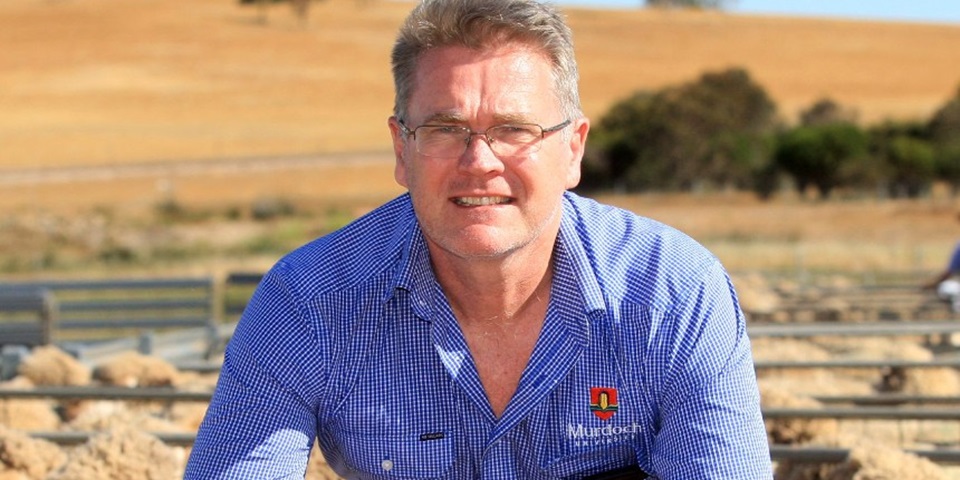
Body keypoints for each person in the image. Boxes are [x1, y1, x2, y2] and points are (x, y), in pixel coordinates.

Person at [184, 0, 772, 477]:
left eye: (515, 129)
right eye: (445, 129)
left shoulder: (677, 294)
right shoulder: (305, 303)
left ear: (573, 149)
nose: (479, 162)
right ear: (400, 148)